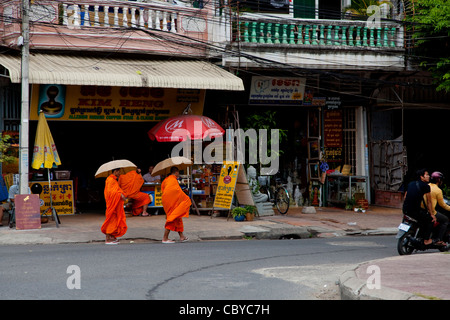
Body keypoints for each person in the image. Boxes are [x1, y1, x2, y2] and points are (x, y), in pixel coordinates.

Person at [402, 169, 435, 246]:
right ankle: (426, 240)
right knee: (430, 220)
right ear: (421, 177)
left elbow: (405, 197)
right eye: (426, 175)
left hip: (405, 209)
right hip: (415, 211)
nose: (428, 176)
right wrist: (432, 214)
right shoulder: (426, 186)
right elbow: (429, 202)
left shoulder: (410, 184)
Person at [161, 166, 191, 244]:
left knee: (178, 217)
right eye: (178, 172)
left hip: (167, 201)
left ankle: (182, 236)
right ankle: (165, 238)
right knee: (172, 217)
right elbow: (176, 191)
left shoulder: (166, 179)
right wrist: (185, 197)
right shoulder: (173, 180)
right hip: (172, 201)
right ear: (176, 172)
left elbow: (163, 189)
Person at [101, 168, 128, 245]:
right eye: (118, 171)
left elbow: (116, 190)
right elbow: (111, 192)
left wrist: (121, 194)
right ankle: (107, 239)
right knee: (111, 221)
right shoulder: (110, 180)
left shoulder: (113, 180)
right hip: (112, 204)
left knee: (114, 220)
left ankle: (112, 237)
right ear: (115, 171)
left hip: (114, 204)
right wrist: (120, 195)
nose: (119, 173)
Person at [422, 171, 449, 245]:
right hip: (431, 211)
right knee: (445, 220)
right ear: (439, 180)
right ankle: (439, 239)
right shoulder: (438, 190)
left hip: (423, 209)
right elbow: (442, 205)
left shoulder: (427, 186)